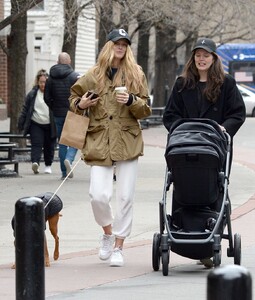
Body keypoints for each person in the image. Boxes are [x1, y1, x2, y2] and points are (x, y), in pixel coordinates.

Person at [69, 28, 152, 267]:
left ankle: (119, 245)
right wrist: (81, 103)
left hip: (127, 139)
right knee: (98, 195)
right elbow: (74, 98)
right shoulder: (94, 74)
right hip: (99, 140)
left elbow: (145, 108)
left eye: (125, 44)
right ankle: (107, 232)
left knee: (125, 197)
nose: (121, 47)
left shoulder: (135, 73)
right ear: (109, 46)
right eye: (117, 43)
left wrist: (132, 101)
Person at [163, 37, 246, 267]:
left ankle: (209, 239)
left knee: (215, 187)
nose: (201, 59)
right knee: (183, 186)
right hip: (186, 147)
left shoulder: (226, 83)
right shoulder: (182, 84)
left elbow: (237, 113)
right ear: (193, 58)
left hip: (215, 148)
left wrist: (223, 128)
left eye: (206, 55)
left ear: (214, 58)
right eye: (198, 55)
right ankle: (184, 232)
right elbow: (170, 116)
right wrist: (181, 129)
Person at [44, 52, 80, 179]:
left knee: (63, 142)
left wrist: (54, 107)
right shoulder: (74, 76)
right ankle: (69, 160)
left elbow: (47, 97)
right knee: (76, 139)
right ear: (69, 61)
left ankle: (64, 173)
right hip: (73, 112)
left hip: (58, 114)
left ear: (58, 61)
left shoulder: (50, 78)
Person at [18, 69, 57, 174]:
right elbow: (25, 109)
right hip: (36, 123)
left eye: (45, 82)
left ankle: (48, 165)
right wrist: (21, 122)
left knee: (49, 146)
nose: (43, 84)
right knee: (36, 144)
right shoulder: (32, 94)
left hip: (50, 124)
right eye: (41, 82)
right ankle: (35, 163)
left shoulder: (52, 93)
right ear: (38, 82)